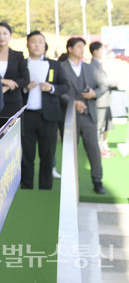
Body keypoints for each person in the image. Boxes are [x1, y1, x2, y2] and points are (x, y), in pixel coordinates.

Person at [21, 31, 69, 190]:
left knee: (47, 155)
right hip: (26, 116)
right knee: (27, 155)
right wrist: (25, 88)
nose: (36, 45)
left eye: (40, 42)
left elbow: (65, 86)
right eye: (33, 42)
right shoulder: (21, 64)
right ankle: (27, 186)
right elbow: (16, 86)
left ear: (45, 45)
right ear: (28, 44)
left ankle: (45, 187)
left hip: (48, 116)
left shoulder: (55, 64)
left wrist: (52, 87)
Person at [59, 37, 106, 194]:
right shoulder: (61, 67)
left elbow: (103, 86)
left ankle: (97, 181)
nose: (82, 50)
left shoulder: (90, 68)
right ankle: (70, 183)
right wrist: (73, 103)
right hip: (69, 116)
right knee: (70, 152)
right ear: (70, 49)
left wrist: (93, 94)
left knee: (93, 149)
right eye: (79, 46)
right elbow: (60, 91)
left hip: (88, 115)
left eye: (83, 47)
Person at [0, 21, 29, 117]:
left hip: (14, 102)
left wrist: (7, 87)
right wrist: (2, 81)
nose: (2, 37)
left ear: (10, 35)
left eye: (5, 33)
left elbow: (25, 79)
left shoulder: (18, 55)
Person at [89, 41, 118, 157]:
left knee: (102, 126)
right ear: (95, 51)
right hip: (100, 101)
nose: (103, 52)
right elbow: (103, 82)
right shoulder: (93, 66)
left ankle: (101, 149)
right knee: (98, 127)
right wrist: (116, 82)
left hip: (104, 100)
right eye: (101, 50)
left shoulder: (97, 64)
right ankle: (99, 151)